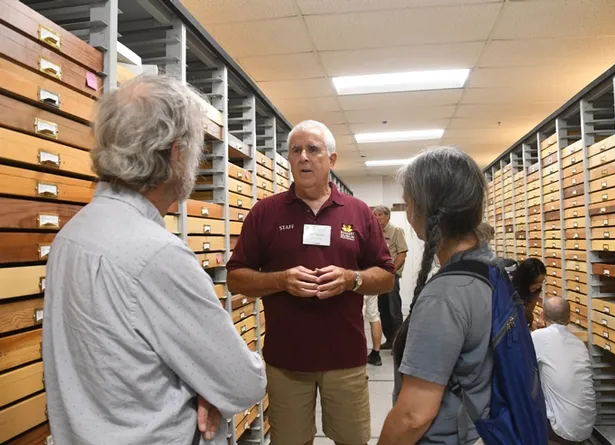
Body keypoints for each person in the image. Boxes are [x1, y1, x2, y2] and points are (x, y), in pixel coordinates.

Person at [42, 75, 267, 445]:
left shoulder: (70, 236)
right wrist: (209, 388)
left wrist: (207, 386)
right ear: (177, 153)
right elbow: (242, 383)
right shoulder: (158, 255)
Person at [226, 120, 395, 445]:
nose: (303, 157)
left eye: (313, 149)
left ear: (331, 160)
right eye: (295, 150)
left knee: (352, 440)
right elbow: (235, 277)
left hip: (345, 358)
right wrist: (280, 280)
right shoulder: (265, 213)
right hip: (287, 361)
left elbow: (386, 276)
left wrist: (352, 279)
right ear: (288, 159)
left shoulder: (359, 213)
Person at [378, 146, 494, 445]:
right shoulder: (489, 267)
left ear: (424, 210)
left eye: (409, 203)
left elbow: (413, 416)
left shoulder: (445, 297)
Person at [531, 297, 596, 444]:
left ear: (541, 315)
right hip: (585, 428)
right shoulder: (579, 344)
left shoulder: (538, 337)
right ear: (569, 318)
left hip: (559, 431)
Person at [372, 205, 409, 349]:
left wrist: (391, 271)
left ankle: (399, 343)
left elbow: (402, 254)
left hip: (391, 276)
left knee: (394, 309)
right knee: (383, 309)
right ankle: (389, 339)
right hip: (379, 276)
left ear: (388, 216)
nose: (376, 217)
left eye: (380, 214)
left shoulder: (396, 231)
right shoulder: (375, 232)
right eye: (374, 214)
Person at [512, 258, 547, 329]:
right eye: (535, 282)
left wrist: (531, 324)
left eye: (541, 281)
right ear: (526, 279)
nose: (538, 286)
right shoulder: (512, 290)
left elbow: (528, 312)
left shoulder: (536, 289)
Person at [364, 294, 383, 366]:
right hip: (371, 286)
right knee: (374, 317)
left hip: (357, 287)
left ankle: (358, 353)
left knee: (357, 318)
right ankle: (376, 354)